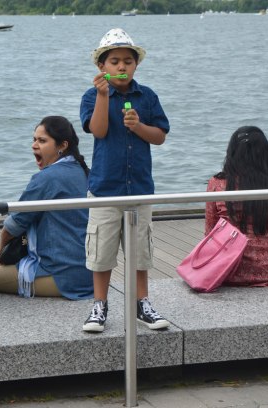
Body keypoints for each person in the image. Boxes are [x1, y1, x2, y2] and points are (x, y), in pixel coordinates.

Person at [79, 28, 170, 332]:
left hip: (139, 187)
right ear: (101, 67)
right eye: (114, 61)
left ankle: (141, 302)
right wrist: (104, 97)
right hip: (105, 188)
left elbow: (159, 137)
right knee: (101, 252)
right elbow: (99, 130)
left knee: (139, 253)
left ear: (136, 65)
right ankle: (99, 304)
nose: (121, 67)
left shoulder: (148, 97)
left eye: (127, 61)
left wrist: (139, 127)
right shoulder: (93, 95)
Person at [0, 116, 93, 300]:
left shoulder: (47, 178)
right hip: (89, 275)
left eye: (42, 140)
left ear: (62, 145)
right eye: (34, 139)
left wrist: (0, 255)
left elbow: (13, 227)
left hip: (59, 275)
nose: (34, 145)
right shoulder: (84, 172)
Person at [206, 126, 268, 287]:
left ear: (232, 152)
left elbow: (211, 229)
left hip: (234, 269)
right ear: (265, 152)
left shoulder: (219, 183)